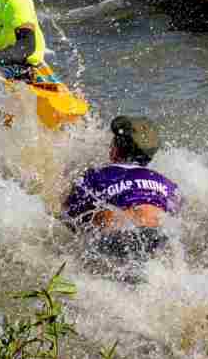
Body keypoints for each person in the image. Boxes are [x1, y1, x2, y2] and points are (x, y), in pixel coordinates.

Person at [64, 115, 180, 268]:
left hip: (120, 237)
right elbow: (176, 217)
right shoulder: (168, 184)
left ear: (115, 149)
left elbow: (69, 215)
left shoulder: (97, 176)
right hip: (160, 238)